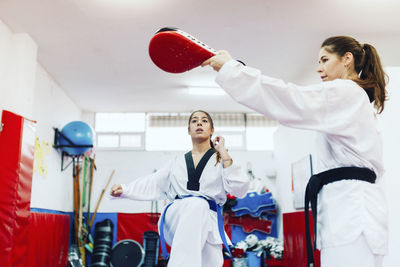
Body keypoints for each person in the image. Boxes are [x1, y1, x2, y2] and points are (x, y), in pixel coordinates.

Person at [202, 36, 388, 267]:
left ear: (347, 59)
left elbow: (289, 99)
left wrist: (233, 70)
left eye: (325, 59)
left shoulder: (345, 92)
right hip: (352, 206)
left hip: (353, 211)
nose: (319, 68)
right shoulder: (354, 98)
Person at [110, 110, 250, 267]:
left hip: (209, 220)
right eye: (194, 121)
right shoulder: (177, 161)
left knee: (210, 261)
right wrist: (126, 189)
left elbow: (240, 188)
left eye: (204, 121)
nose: (199, 123)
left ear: (212, 130)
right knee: (197, 204)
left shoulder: (221, 160)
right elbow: (154, 182)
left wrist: (222, 150)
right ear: (188, 130)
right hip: (178, 215)